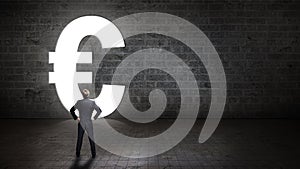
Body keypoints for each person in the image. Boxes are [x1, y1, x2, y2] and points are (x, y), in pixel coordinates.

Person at [70, 89, 101, 158]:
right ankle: (93, 154)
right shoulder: (92, 103)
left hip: (81, 122)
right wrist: (94, 117)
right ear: (88, 95)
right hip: (89, 122)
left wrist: (76, 118)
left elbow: (71, 110)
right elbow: (99, 111)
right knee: (91, 138)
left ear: (82, 95)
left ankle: (77, 153)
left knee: (80, 138)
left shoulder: (79, 102)